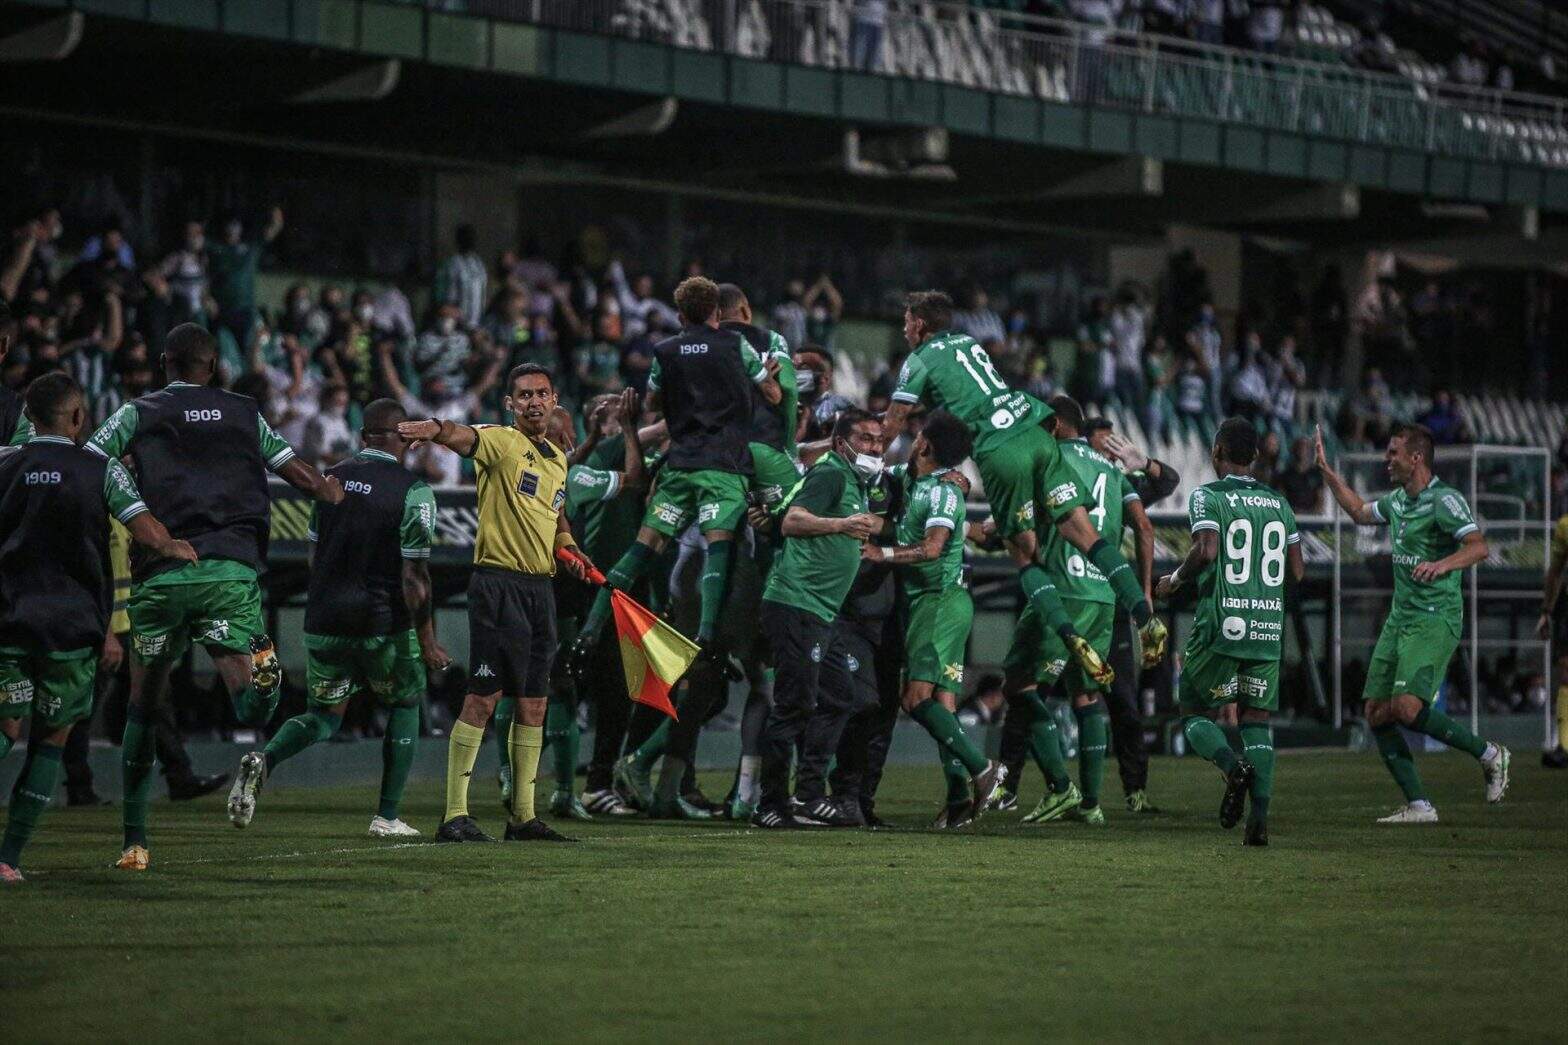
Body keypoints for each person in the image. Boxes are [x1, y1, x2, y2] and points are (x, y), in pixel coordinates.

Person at [89, 324, 344, 872]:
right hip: (229, 571)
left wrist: (136, 510)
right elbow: (294, 469)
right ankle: (265, 673)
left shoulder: (139, 410)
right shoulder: (244, 412)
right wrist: (329, 488)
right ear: (213, 365)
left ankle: (135, 843)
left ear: (165, 362)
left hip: (163, 574)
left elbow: (91, 459)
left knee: (142, 706)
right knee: (249, 700)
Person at [881, 291, 1166, 687]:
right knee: (1084, 532)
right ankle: (1143, 614)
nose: (904, 327)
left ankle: (1071, 637)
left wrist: (862, 457)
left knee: (1026, 555)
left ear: (920, 325)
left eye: (907, 320)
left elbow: (892, 423)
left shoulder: (918, 359)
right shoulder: (967, 341)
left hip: (999, 449)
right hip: (1031, 424)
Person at [0, 373, 195, 882]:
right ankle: (7, 860)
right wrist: (174, 546)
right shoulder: (101, 467)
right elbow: (144, 526)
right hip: (70, 628)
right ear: (79, 417)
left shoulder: (4, 462)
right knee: (50, 740)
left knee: (5, 726)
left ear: (29, 417)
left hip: (8, 622)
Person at [225, 399, 451, 837]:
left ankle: (264, 759)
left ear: (363, 436)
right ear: (405, 436)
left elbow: (314, 554)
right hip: (382, 623)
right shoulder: (413, 490)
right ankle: (386, 816)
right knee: (405, 703)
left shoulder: (330, 480)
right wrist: (426, 638)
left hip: (325, 620)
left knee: (324, 717)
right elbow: (415, 577)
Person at [396, 363, 595, 843]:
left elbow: (557, 512)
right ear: (510, 404)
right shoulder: (503, 442)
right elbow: (465, 436)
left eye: (541, 394)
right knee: (483, 698)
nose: (533, 402)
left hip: (539, 591)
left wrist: (566, 547)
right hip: (498, 585)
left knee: (534, 703)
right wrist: (435, 430)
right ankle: (453, 815)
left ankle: (522, 818)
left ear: (553, 399)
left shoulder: (556, 459)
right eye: (523, 395)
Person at [571, 277, 781, 674]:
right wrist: (764, 378)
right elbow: (773, 395)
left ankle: (589, 631)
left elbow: (651, 401)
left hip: (680, 467)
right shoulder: (737, 346)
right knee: (720, 548)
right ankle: (705, 639)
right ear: (718, 313)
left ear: (682, 316)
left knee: (639, 550)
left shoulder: (665, 351)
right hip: (723, 467)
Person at [1316, 423, 1511, 821]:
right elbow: (1357, 511)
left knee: (1405, 707)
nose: (1387, 460)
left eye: (1393, 453)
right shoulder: (1397, 502)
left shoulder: (1445, 500)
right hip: (1400, 618)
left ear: (1415, 458)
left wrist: (1441, 565)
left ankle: (1490, 754)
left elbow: (1478, 547)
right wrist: (1326, 470)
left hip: (1435, 618)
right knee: (1374, 712)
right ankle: (1420, 805)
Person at [999, 396, 1154, 827]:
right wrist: (1142, 596)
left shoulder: (1047, 458)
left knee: (1021, 687)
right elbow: (1143, 526)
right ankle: (1091, 804)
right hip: (1103, 595)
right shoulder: (1110, 468)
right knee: (1087, 697)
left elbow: (1027, 520)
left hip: (1059, 589)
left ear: (1052, 425)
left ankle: (1058, 788)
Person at [1156, 426, 1305, 848]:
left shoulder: (1209, 496)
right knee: (1256, 719)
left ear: (1217, 450)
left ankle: (1230, 764)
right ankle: (1258, 818)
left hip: (1223, 620)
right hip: (1267, 625)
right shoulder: (1279, 502)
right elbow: (1297, 571)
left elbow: (1206, 549)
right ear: (1256, 456)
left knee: (1193, 712)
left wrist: (1175, 579)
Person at [751, 410, 886, 828]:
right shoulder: (830, 474)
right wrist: (841, 524)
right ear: (840, 441)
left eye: (879, 441)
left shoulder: (855, 482)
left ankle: (809, 796)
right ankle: (771, 805)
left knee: (842, 697)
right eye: (865, 439)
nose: (875, 448)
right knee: (793, 706)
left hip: (822, 612)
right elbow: (792, 522)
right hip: (797, 604)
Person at [874, 410, 1008, 828]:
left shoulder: (943, 494)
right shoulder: (911, 479)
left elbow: (932, 549)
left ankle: (985, 772)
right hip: (939, 603)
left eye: (918, 435)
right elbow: (876, 475)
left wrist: (884, 553)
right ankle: (956, 799)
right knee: (943, 706)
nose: (912, 438)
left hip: (938, 602)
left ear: (925, 444)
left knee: (915, 700)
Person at [1537, 513, 1568, 768]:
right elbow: (1555, 572)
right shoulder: (1565, 525)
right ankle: (1565, 746)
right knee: (1566, 671)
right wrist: (1546, 611)